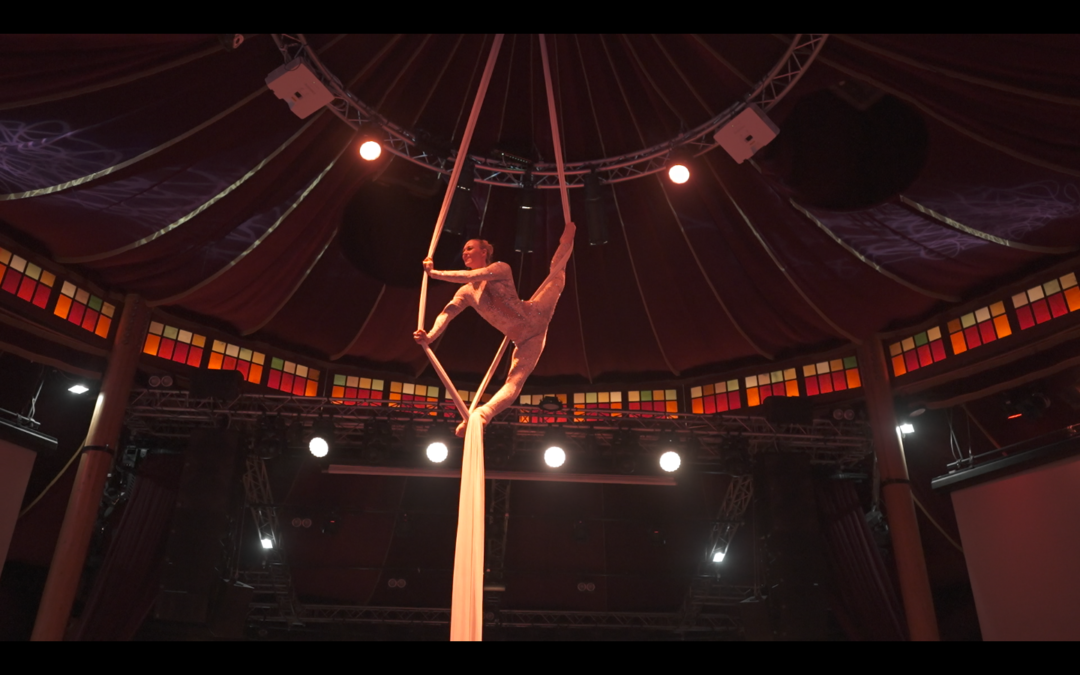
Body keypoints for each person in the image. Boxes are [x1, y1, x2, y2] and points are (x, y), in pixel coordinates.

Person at [414, 222, 575, 437]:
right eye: (463, 250)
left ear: (484, 251)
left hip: (536, 312)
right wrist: (430, 335)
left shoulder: (501, 268)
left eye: (469, 248)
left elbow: (470, 276)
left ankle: (566, 240)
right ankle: (483, 415)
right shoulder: (466, 293)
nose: (465, 253)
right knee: (514, 382)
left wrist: (435, 273)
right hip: (527, 339)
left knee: (557, 276)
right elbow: (447, 313)